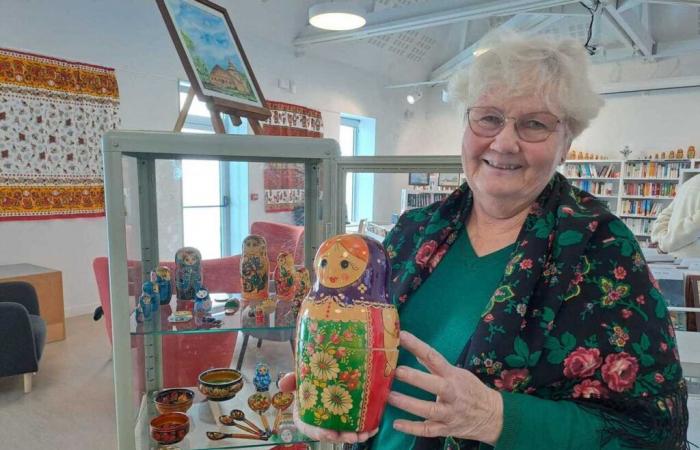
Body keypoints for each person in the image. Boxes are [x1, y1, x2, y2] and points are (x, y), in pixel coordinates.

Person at [280, 32, 688, 449]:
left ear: (566, 143)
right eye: (489, 118)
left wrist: (495, 417)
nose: (505, 142)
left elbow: (653, 430)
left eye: (534, 124)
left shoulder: (602, 248)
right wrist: (322, 398)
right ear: (466, 125)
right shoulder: (414, 231)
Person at [651, 173, 700, 258]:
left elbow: (665, 214)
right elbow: (695, 225)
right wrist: (666, 243)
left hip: (675, 256)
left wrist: (661, 239)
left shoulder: (690, 182)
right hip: (694, 260)